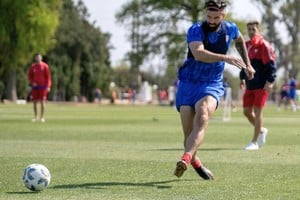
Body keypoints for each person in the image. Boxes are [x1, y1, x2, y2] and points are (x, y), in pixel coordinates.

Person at [174, 0, 255, 180]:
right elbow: (198, 53)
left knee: (202, 115)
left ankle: (185, 158)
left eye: (216, 17)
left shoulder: (230, 28)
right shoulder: (195, 29)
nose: (211, 20)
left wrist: (248, 65)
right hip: (189, 82)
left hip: (212, 83)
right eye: (209, 16)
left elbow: (240, 42)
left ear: (223, 15)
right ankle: (195, 161)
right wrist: (225, 57)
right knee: (188, 136)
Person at [240, 20, 276, 150]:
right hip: (250, 84)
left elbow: (271, 66)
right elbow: (244, 64)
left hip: (261, 85)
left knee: (257, 111)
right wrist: (242, 78)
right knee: (246, 112)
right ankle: (261, 130)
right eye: (249, 29)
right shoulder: (246, 45)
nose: (250, 32)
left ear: (258, 30)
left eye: (253, 29)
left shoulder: (264, 46)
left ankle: (254, 142)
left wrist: (270, 82)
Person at [28, 53, 51, 123]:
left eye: (39, 57)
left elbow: (48, 77)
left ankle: (42, 117)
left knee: (43, 101)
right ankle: (35, 117)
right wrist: (32, 82)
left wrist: (48, 86)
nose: (38, 58)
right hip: (35, 87)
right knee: (34, 102)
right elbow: (30, 76)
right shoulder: (33, 66)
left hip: (43, 86)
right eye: (37, 57)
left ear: (41, 58)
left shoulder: (45, 66)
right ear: (35, 58)